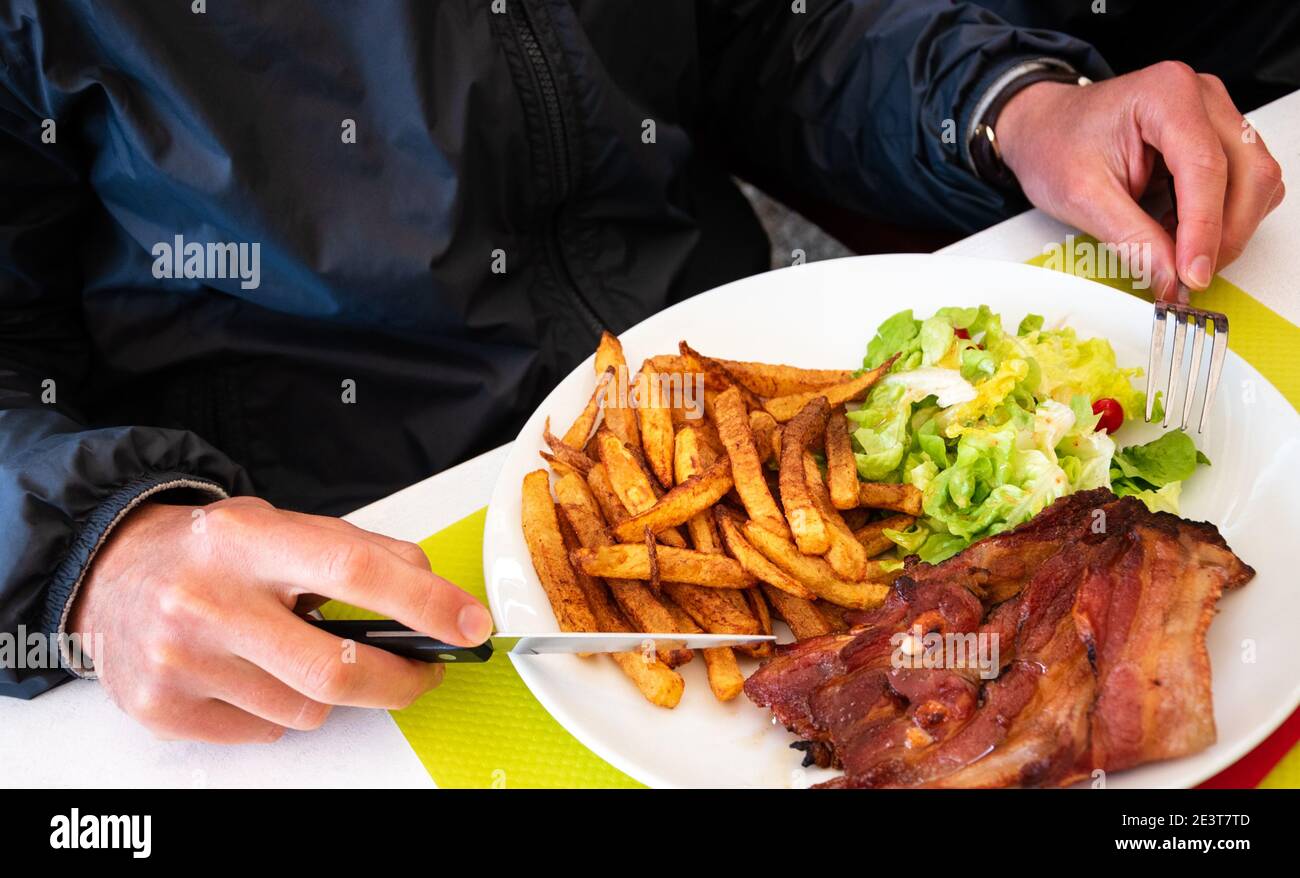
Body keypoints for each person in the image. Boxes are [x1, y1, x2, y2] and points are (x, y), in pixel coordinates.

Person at [0, 1, 1283, 742]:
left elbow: (768, 33)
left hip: (741, 409)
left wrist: (1005, 101)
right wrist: (93, 553)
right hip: (325, 598)